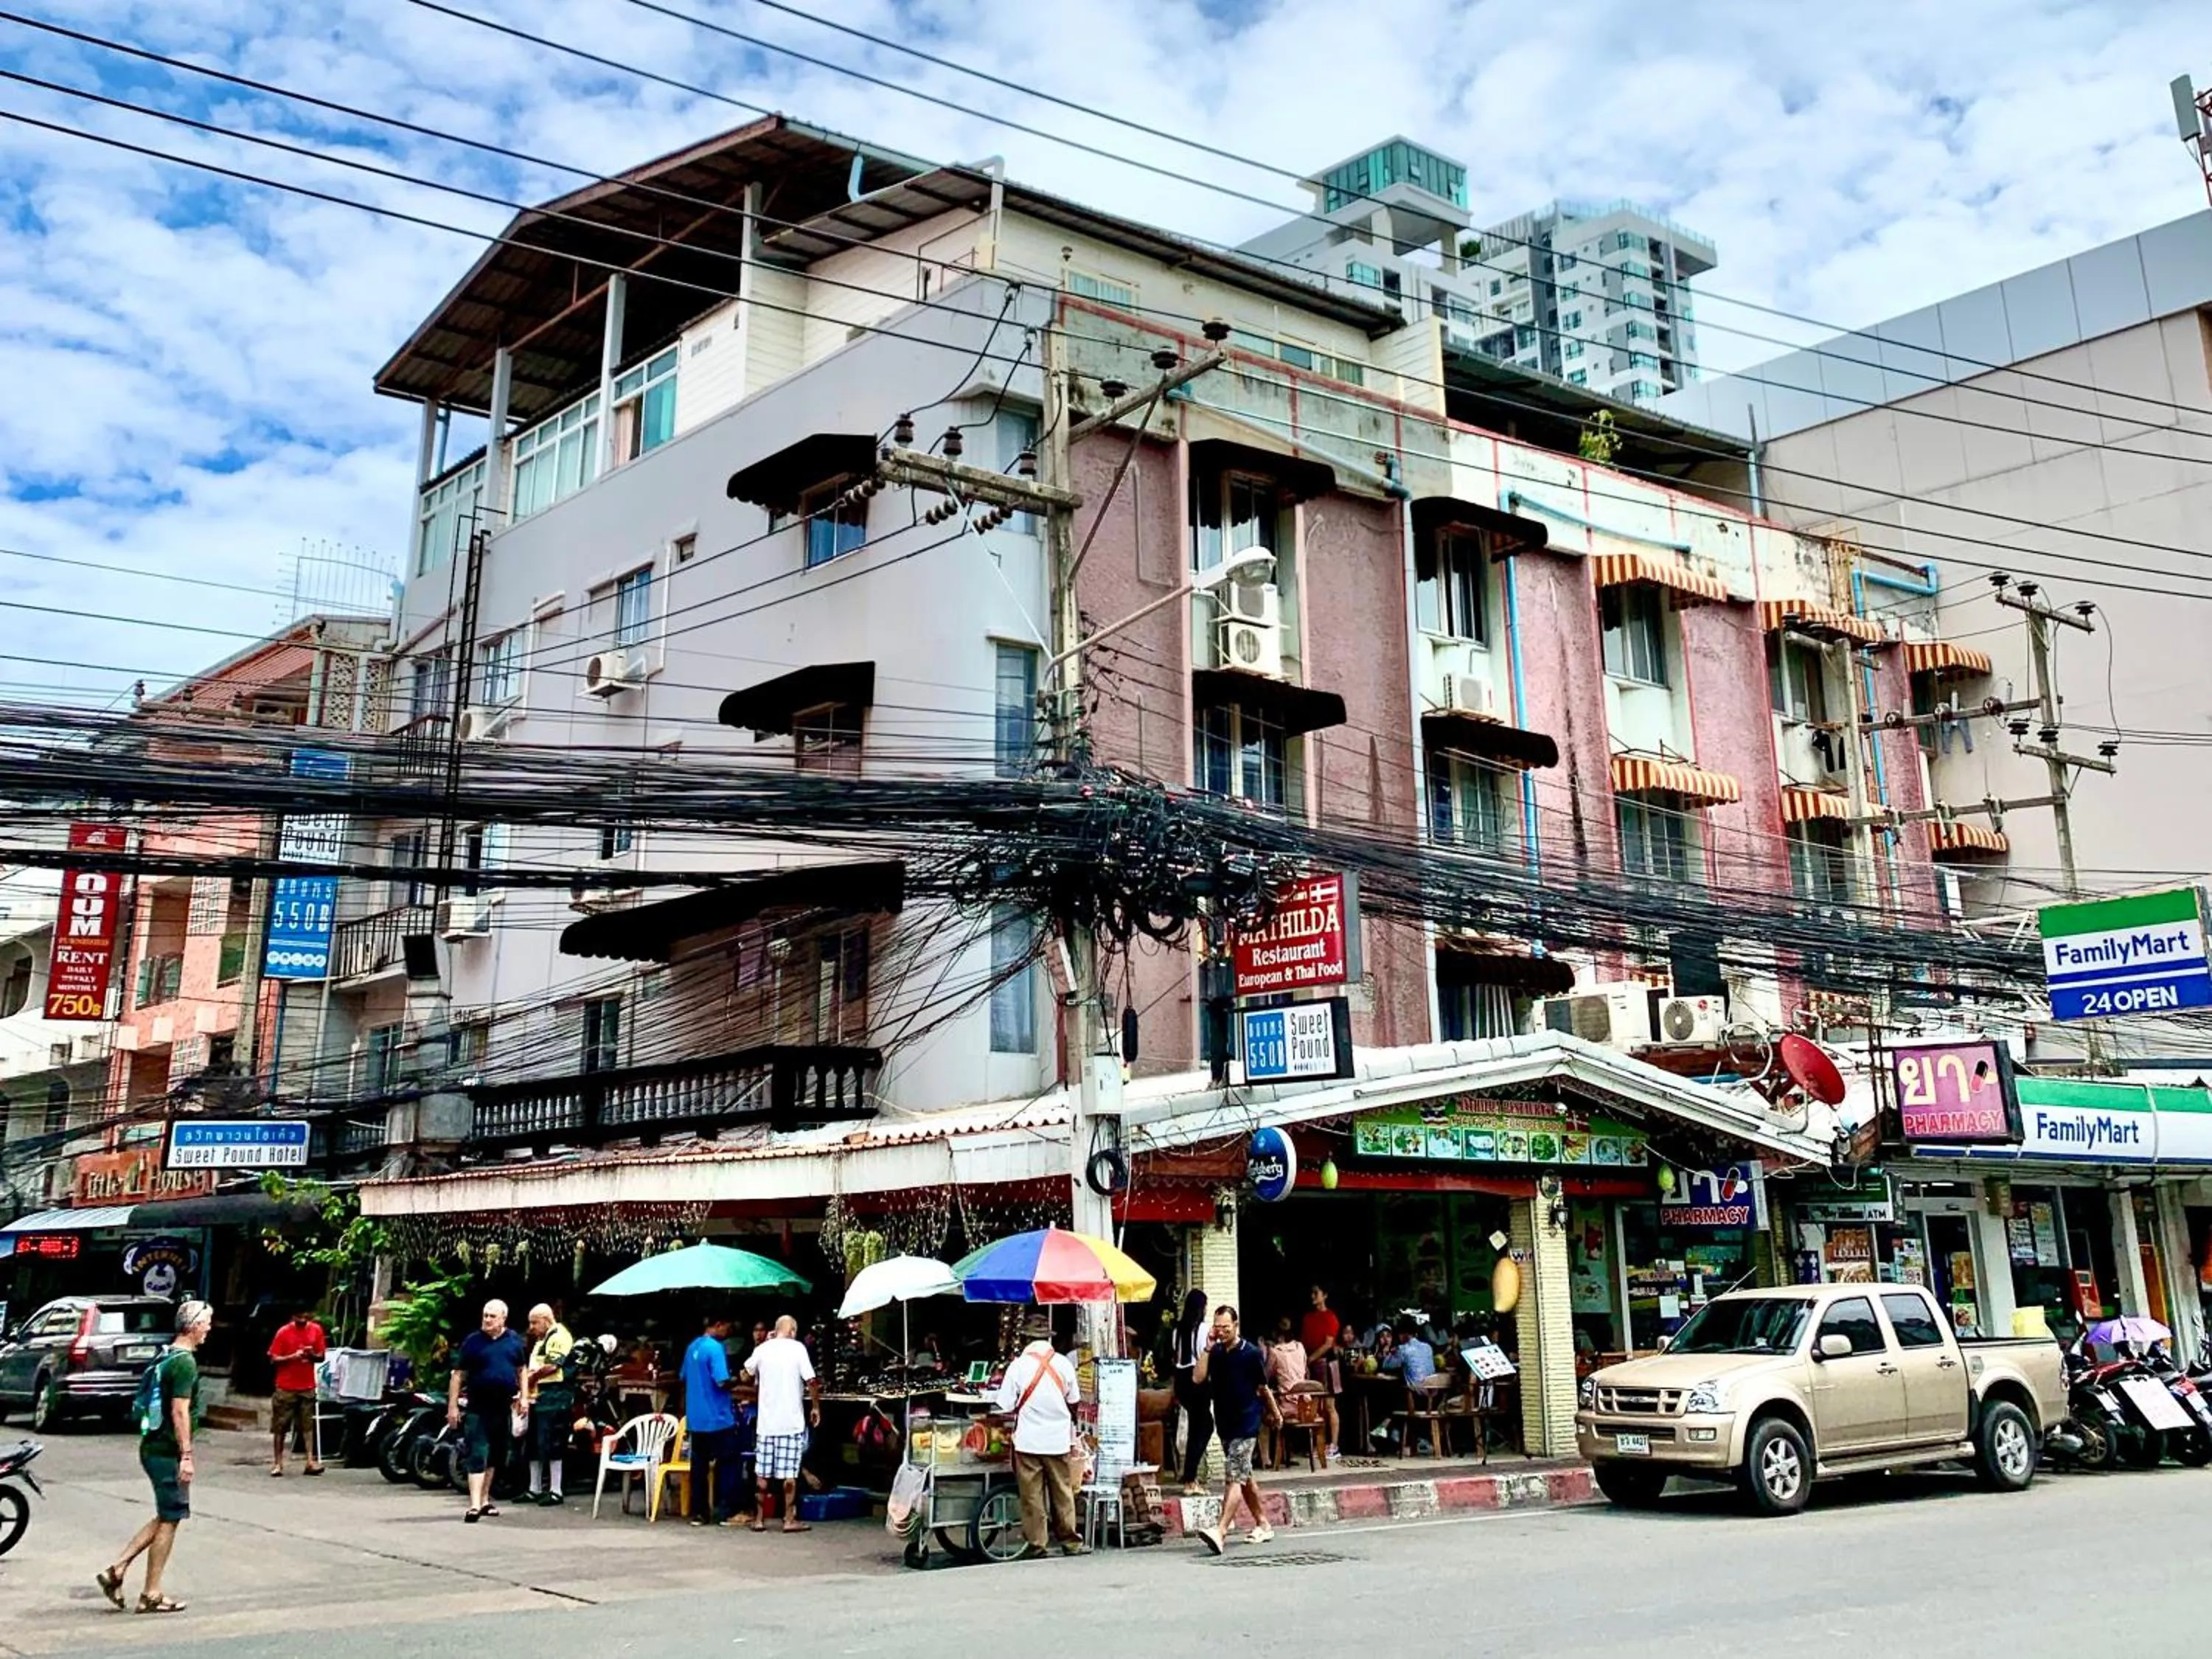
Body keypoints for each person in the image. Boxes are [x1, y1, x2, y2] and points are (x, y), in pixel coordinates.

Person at [97, 1299, 212, 1615]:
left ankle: (118, 1571)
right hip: (165, 1452)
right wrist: (186, 1455)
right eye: (207, 1323)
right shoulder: (184, 1363)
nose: (209, 1329)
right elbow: (179, 1410)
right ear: (194, 1325)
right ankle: (150, 1592)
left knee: (167, 1515)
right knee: (171, 1517)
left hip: (153, 1447)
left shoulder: (166, 1354)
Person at [992, 1320, 1085, 1559]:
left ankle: (1037, 1543)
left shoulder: (1018, 1367)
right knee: (1062, 1491)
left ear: (1025, 1339)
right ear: (1048, 1338)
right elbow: (1074, 1399)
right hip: (1057, 1440)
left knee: (1032, 1495)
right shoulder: (1064, 1364)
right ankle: (1070, 1541)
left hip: (1028, 1441)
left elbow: (1005, 1404)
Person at [1191, 1305, 1278, 1555]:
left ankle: (1221, 1531)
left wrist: (1275, 1413)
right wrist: (1208, 1347)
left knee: (1234, 1477)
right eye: (1217, 1327)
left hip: (1247, 1422)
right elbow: (1197, 1378)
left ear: (1236, 1326)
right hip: (1225, 1423)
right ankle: (1263, 1523)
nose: (1221, 1332)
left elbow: (1262, 1388)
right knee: (1244, 1475)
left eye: (1226, 1328)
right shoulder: (1215, 1353)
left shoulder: (1251, 1353)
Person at [450, 1299, 526, 1522]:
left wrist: (525, 1396)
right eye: (485, 1315)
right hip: (477, 1406)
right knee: (478, 1452)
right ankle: (474, 1505)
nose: (487, 1319)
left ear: (503, 1318)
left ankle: (484, 1500)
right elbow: (458, 1375)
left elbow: (522, 1369)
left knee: (496, 1454)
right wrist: (453, 1406)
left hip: (503, 1406)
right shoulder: (473, 1342)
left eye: (492, 1316)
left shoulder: (513, 1341)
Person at [742, 1315, 821, 1532]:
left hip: (766, 1424)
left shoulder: (763, 1349)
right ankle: (788, 1520)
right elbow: (812, 1381)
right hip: (791, 1422)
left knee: (762, 1473)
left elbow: (746, 1375)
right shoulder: (798, 1349)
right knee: (789, 1474)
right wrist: (815, 1407)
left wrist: (762, 1347)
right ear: (793, 1331)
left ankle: (759, 1520)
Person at [681, 1313, 749, 1527]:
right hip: (717, 1418)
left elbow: (684, 1377)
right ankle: (730, 1512)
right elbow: (722, 1382)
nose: (729, 1331)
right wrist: (739, 1379)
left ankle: (700, 1514)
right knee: (729, 1463)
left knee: (699, 1467)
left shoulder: (692, 1347)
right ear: (719, 1325)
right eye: (727, 1326)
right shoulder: (716, 1349)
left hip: (696, 1419)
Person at [521, 1304, 576, 1505]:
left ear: (546, 1319)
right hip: (538, 1395)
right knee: (534, 1442)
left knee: (553, 1441)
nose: (532, 1327)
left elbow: (552, 1366)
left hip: (555, 1395)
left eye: (535, 1322)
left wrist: (531, 1379)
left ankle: (556, 1489)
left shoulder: (559, 1336)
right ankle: (534, 1488)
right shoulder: (541, 1339)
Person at [266, 1304, 327, 1477]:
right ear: (293, 1317)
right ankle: (278, 1463)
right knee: (280, 1426)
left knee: (307, 1425)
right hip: (286, 1386)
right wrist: (292, 1357)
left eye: (305, 1318)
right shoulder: (283, 1332)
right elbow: (273, 1358)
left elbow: (322, 1356)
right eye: (299, 1318)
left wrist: (311, 1355)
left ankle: (310, 1461)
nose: (302, 1321)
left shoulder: (316, 1330)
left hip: (307, 1385)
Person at [1169, 1288, 1212, 1497]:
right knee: (1201, 1428)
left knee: (1202, 1425)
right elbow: (1206, 1355)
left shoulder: (1178, 1330)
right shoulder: (1203, 1329)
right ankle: (1190, 1479)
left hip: (1181, 1380)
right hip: (1197, 1380)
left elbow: (1175, 1356)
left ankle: (1190, 1475)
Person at [1299, 1284, 1344, 1461]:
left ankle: (1334, 1445)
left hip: (1326, 1363)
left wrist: (1310, 1359)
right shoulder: (1308, 1318)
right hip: (1311, 1362)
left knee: (1329, 1406)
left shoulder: (1330, 1318)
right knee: (1315, 1407)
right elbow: (1303, 1340)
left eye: (1316, 1293)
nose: (1313, 1296)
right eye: (1312, 1293)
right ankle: (1318, 1444)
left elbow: (1328, 1343)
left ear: (1325, 1295)